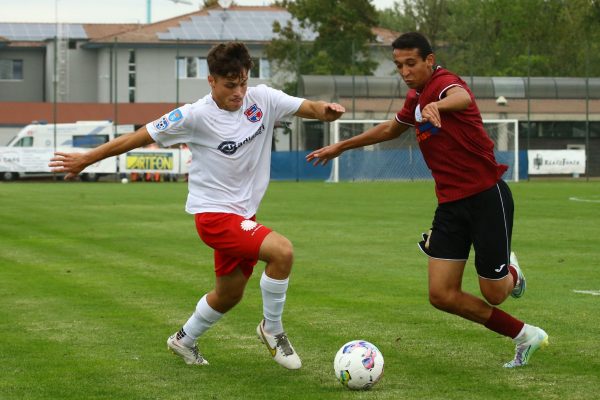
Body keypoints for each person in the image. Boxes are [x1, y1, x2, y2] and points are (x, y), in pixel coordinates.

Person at [49, 42, 345, 370]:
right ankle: (272, 330)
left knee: (229, 294)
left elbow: (308, 107)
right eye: (231, 85)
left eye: (243, 82)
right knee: (283, 252)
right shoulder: (194, 115)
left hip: (244, 215)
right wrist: (87, 158)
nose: (239, 91)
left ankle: (183, 340)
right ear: (211, 81)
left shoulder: (263, 99)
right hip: (215, 216)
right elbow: (137, 136)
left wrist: (324, 110)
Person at [306, 32, 548, 368]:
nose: (404, 71)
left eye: (410, 63)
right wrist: (340, 147)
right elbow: (390, 129)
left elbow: (461, 97)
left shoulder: (445, 83)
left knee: (495, 293)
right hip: (450, 205)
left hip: (486, 197)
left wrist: (438, 104)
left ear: (429, 61)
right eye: (398, 65)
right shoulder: (415, 99)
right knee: (441, 295)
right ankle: (525, 335)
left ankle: (512, 274)